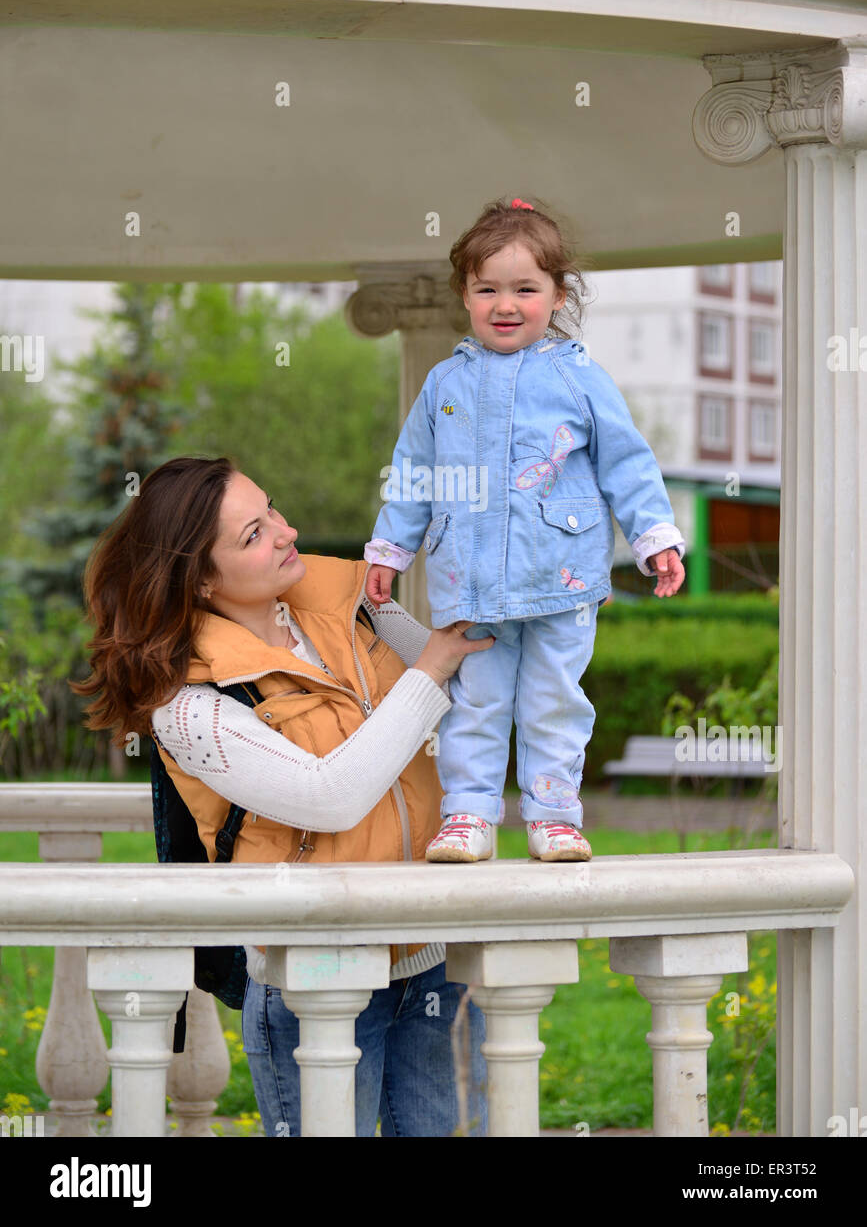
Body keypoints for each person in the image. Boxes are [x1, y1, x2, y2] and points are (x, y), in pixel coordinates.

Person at [73, 455, 494, 1137]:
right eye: (253, 534)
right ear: (201, 578)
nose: (286, 531)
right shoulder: (189, 703)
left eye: (272, 511)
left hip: (435, 960)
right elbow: (327, 796)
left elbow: (474, 684)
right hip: (315, 977)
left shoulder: (347, 611)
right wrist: (430, 671)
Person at [364, 196, 686, 864]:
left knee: (553, 703)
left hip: (559, 578)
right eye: (487, 289)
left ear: (556, 294)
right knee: (473, 704)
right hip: (469, 582)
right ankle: (468, 818)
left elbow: (625, 459)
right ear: (464, 293)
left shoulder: (577, 376)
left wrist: (654, 535)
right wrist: (389, 550)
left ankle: (554, 817)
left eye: (524, 289)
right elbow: (414, 471)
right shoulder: (443, 384)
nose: (504, 304)